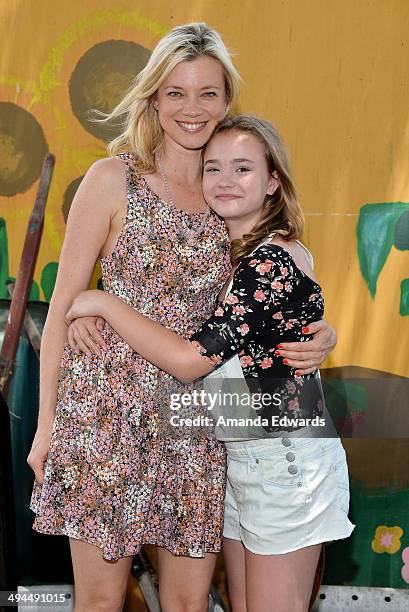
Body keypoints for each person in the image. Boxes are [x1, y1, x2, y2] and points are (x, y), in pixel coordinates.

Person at [27, 21, 335, 612]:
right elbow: (64, 307)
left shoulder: (231, 192)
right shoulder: (112, 179)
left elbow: (281, 287)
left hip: (200, 419)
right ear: (152, 98)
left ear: (227, 100)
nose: (192, 109)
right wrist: (45, 429)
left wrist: (323, 333)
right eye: (175, 92)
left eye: (208, 94)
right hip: (103, 418)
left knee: (191, 604)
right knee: (99, 601)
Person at [67, 115, 353, 612]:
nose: (224, 180)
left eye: (242, 169)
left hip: (285, 462)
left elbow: (188, 361)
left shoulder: (269, 263)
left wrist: (103, 303)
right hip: (242, 459)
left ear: (272, 183)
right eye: (213, 168)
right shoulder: (238, 254)